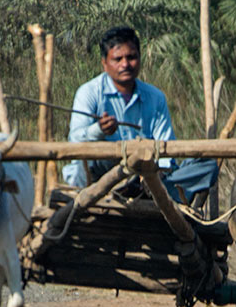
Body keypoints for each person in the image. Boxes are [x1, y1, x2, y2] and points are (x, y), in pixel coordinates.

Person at [62, 26, 218, 203]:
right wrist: (99, 130)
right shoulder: (89, 93)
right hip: (101, 180)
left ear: (139, 58)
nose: (125, 64)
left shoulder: (155, 97)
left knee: (207, 166)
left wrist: (156, 172)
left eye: (131, 57)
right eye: (117, 59)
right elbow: (74, 142)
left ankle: (151, 193)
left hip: (148, 180)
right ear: (104, 63)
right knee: (89, 162)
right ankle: (146, 194)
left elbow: (167, 150)